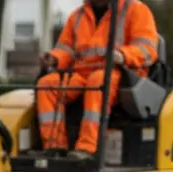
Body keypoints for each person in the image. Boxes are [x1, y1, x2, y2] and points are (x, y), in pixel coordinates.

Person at [36, 0, 160, 159]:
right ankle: (55, 147)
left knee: (98, 81)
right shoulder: (77, 16)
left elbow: (147, 50)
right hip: (82, 74)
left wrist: (123, 55)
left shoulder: (136, 10)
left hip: (121, 73)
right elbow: (66, 50)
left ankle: (87, 148)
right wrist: (54, 58)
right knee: (47, 85)